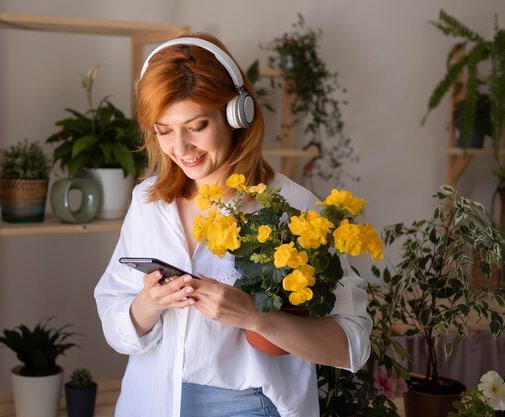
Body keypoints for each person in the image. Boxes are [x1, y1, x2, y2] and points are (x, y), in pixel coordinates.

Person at [94, 32, 372, 417]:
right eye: (164, 130)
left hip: (250, 406)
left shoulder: (294, 207)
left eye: (196, 125)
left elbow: (352, 343)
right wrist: (148, 304)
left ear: (236, 113)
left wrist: (256, 317)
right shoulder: (148, 202)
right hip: (151, 400)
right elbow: (115, 319)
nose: (180, 148)